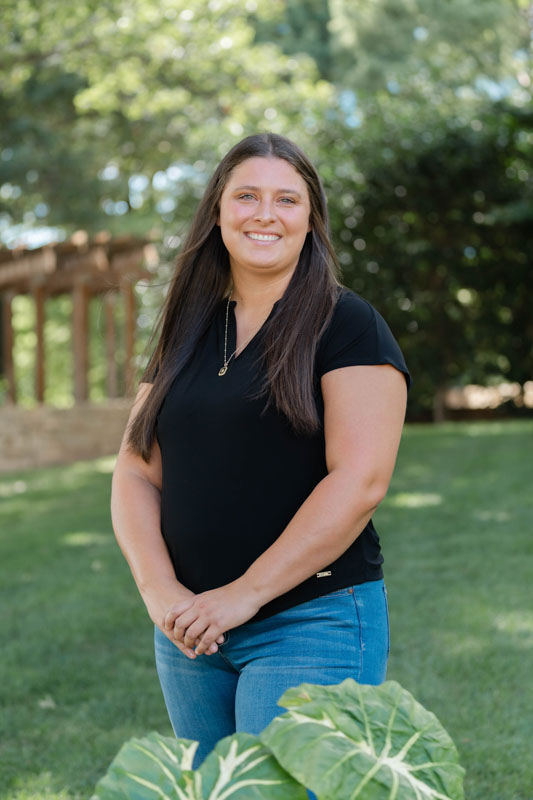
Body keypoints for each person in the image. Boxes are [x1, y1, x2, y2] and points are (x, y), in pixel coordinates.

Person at [110, 132, 412, 789]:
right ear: (217, 213)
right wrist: (161, 592)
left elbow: (360, 481)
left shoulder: (348, 325)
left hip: (310, 622)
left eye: (286, 199)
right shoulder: (188, 328)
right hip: (192, 633)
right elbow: (135, 468)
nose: (265, 214)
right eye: (246, 196)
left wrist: (240, 597)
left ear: (311, 219)